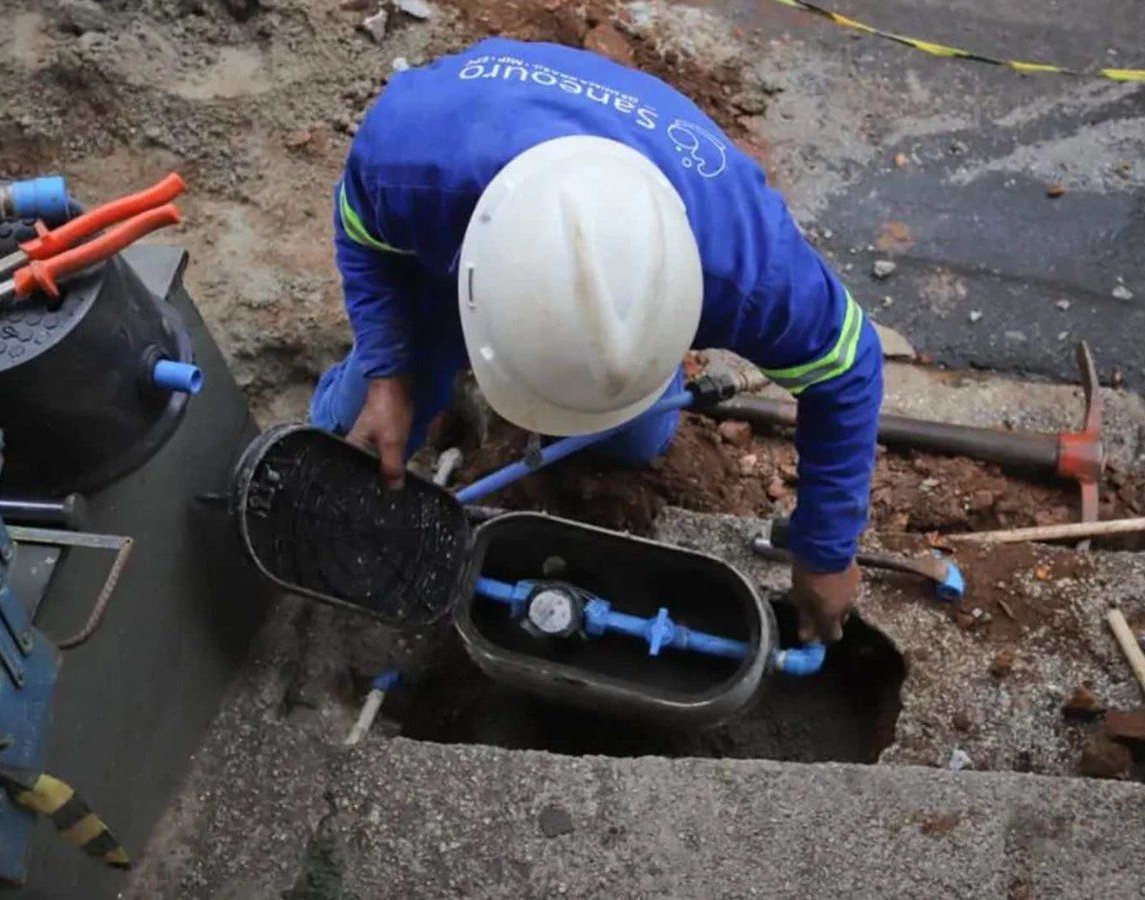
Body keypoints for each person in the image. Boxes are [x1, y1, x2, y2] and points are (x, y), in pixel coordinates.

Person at [311, 37, 883, 643]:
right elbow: (363, 237)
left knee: (635, 440)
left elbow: (849, 370)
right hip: (461, 216)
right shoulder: (416, 165)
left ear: (684, 304)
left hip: (630, 232)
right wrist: (385, 371)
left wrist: (824, 551)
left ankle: (618, 404)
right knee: (351, 442)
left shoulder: (748, 271)